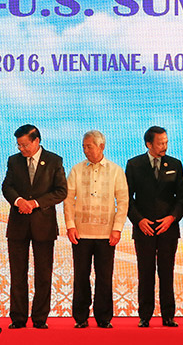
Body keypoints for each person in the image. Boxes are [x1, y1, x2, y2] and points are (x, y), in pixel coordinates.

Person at [2, 124, 67, 329]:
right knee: (18, 273)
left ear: (36, 141)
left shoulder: (54, 161)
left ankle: (40, 319)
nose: (22, 149)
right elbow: (7, 187)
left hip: (43, 225)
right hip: (18, 225)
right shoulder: (14, 161)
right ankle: (18, 318)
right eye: (19, 146)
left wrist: (35, 203)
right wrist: (19, 200)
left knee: (43, 274)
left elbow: (61, 191)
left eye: (25, 145)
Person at [64, 130, 128, 329]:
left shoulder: (116, 170)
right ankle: (81, 317)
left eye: (89, 146)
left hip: (106, 234)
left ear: (101, 146)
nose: (85, 150)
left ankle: (103, 317)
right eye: (83, 146)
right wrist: (70, 226)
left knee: (104, 276)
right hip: (81, 233)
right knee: (81, 275)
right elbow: (68, 200)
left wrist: (117, 229)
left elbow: (123, 201)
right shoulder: (76, 170)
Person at [126, 126, 183, 328]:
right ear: (149, 144)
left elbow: (181, 199)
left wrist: (172, 218)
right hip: (144, 228)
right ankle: (145, 315)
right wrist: (138, 220)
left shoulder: (175, 164)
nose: (164, 146)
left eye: (166, 142)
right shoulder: (134, 165)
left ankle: (168, 315)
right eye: (160, 143)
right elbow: (127, 199)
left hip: (168, 228)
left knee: (167, 272)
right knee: (146, 272)